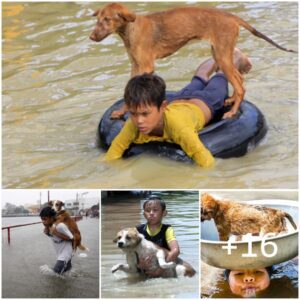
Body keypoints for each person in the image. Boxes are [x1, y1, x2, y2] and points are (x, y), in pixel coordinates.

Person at [105, 48, 252, 167]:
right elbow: (114, 152)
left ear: (162, 107)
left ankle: (235, 56)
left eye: (145, 114)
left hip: (206, 102)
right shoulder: (133, 124)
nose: (139, 121)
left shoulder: (179, 128)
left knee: (220, 76)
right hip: (179, 98)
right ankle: (217, 56)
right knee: (200, 76)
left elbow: (207, 162)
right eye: (134, 114)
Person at [135, 196, 180, 277]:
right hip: (143, 266)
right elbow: (130, 251)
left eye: (155, 210)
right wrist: (139, 264)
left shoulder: (167, 229)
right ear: (144, 214)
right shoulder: (137, 230)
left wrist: (159, 271)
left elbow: (175, 251)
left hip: (162, 267)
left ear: (164, 213)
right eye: (148, 211)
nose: (151, 213)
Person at [39, 206, 74, 275]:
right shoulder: (49, 227)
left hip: (66, 253)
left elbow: (72, 238)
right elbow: (52, 236)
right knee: (66, 274)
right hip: (60, 254)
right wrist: (47, 229)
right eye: (42, 219)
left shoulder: (60, 226)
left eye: (45, 219)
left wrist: (56, 233)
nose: (43, 221)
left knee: (55, 275)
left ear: (52, 218)